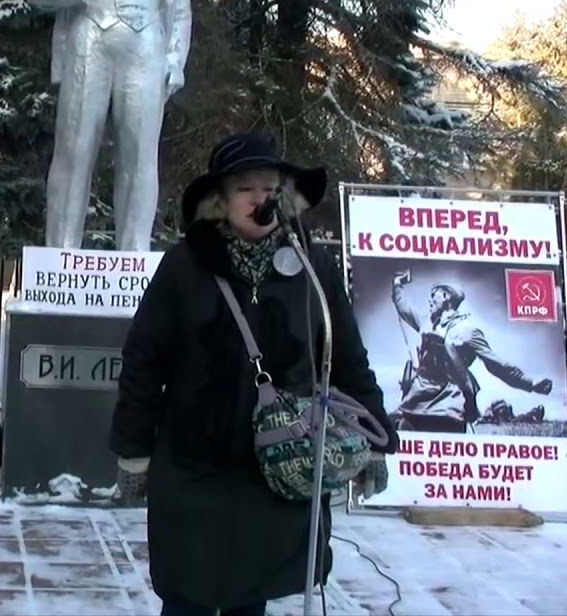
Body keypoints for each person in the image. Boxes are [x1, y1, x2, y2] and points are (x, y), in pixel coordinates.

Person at [109, 132, 399, 616]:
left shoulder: (312, 264)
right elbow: (143, 360)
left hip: (279, 468)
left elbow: (346, 356)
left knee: (251, 594)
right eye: (246, 188)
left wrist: (375, 441)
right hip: (194, 469)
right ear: (220, 200)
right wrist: (134, 452)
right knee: (189, 595)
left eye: (270, 187)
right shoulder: (185, 267)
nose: (260, 198)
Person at [26, 0, 192, 252]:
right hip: (89, 41)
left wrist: (176, 58)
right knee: (74, 149)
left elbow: (179, 10)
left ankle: (133, 253)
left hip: (146, 47)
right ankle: (61, 251)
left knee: (140, 155)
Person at [390, 270, 553, 433]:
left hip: (447, 410)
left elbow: (496, 364)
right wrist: (398, 284)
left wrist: (529, 383)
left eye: (434, 295)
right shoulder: (426, 323)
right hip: (414, 406)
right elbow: (403, 307)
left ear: (447, 296)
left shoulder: (468, 332)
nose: (430, 300)